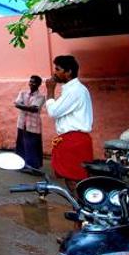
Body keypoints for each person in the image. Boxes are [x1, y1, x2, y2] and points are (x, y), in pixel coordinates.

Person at [45, 55, 93, 193]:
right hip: (72, 140)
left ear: (68, 72)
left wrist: (50, 90)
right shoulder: (72, 89)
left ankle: (81, 209)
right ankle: (81, 208)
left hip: (74, 141)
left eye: (58, 69)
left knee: (73, 179)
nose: (55, 72)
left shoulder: (75, 90)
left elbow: (53, 111)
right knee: (73, 178)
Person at [14, 75, 46, 172]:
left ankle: (33, 167)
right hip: (22, 123)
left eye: (34, 82)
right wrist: (28, 107)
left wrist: (22, 106)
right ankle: (21, 164)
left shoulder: (41, 96)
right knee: (21, 144)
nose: (32, 84)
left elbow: (34, 109)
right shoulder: (23, 93)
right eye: (31, 81)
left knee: (32, 145)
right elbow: (17, 104)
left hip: (33, 125)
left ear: (39, 84)